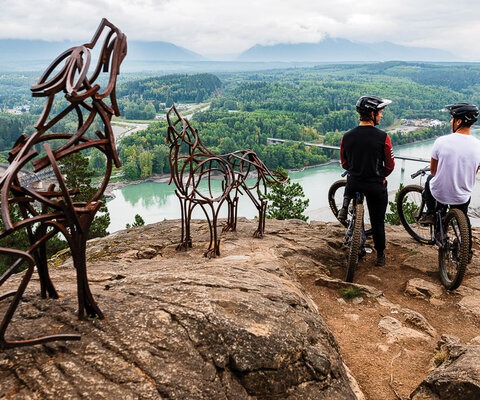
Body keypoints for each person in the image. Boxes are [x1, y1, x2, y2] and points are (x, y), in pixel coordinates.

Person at [337, 95, 395, 266]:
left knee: (351, 179)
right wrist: (379, 174)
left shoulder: (346, 137)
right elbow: (390, 165)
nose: (382, 115)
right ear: (372, 113)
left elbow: (344, 163)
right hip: (375, 186)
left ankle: (345, 206)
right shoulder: (383, 137)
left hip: (355, 182)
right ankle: (380, 256)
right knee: (378, 221)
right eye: (380, 112)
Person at [420, 103, 480, 237]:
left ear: (458, 121)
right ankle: (466, 246)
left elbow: (434, 171)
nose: (450, 121)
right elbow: (474, 171)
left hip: (441, 193)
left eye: (452, 119)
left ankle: (432, 215)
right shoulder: (478, 145)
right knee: (463, 217)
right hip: (462, 195)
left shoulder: (441, 141)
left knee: (430, 179)